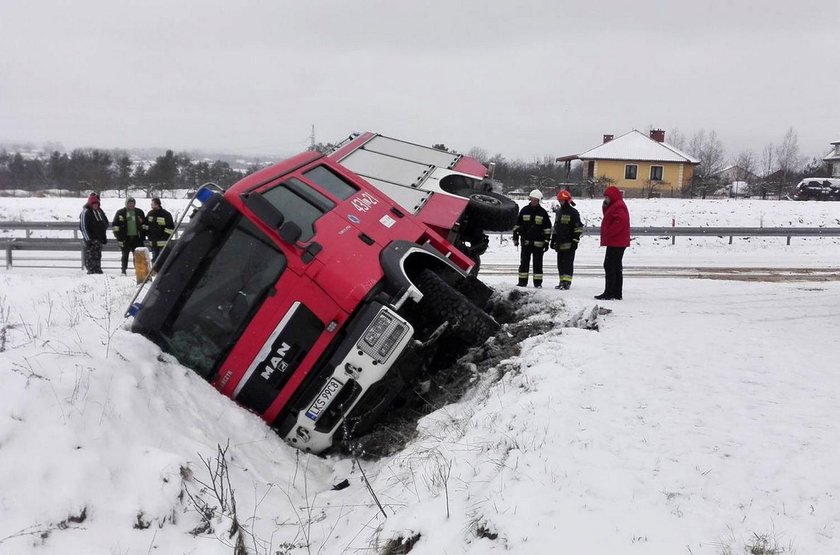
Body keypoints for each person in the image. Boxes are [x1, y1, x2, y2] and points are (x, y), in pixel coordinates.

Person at [596, 186, 630, 300]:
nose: (605, 199)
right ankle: (616, 292)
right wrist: (605, 206)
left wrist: (609, 232)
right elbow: (609, 216)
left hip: (616, 241)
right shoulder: (616, 205)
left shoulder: (618, 206)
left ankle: (610, 292)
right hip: (617, 241)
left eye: (607, 197)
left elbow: (620, 221)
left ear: (612, 197)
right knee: (615, 267)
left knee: (610, 266)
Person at [512, 189, 552, 288]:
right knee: (524, 263)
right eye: (532, 199)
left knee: (537, 265)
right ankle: (522, 282)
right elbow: (517, 225)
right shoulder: (524, 210)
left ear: (539, 201)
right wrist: (515, 237)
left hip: (538, 244)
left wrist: (546, 242)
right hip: (526, 242)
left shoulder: (543, 213)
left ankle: (538, 283)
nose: (533, 201)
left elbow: (547, 228)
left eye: (535, 200)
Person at [550, 189, 583, 289]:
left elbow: (578, 228)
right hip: (560, 243)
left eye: (562, 200)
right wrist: (553, 239)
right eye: (559, 201)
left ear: (567, 200)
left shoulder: (573, 212)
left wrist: (575, 241)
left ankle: (567, 283)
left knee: (568, 264)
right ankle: (561, 282)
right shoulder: (559, 212)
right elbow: (556, 227)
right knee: (560, 264)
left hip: (569, 243)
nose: (560, 202)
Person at [112, 197, 146, 275]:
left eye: (133, 203)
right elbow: (115, 226)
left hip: (137, 238)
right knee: (125, 255)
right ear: (126, 204)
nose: (131, 205)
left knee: (137, 255)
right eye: (129, 203)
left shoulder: (139, 212)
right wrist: (119, 237)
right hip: (125, 238)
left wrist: (142, 236)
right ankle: (123, 270)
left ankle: (138, 270)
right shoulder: (120, 213)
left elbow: (144, 225)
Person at [79, 193, 108, 274]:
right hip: (91, 239)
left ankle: (97, 268)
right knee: (90, 255)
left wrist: (103, 234)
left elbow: (105, 222)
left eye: (97, 203)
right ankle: (91, 270)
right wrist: (88, 239)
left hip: (99, 239)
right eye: (94, 204)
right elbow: (83, 227)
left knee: (98, 255)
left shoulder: (99, 211)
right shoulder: (86, 212)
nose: (95, 205)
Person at [144, 197, 175, 263]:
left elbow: (170, 227)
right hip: (153, 241)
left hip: (163, 242)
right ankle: (154, 271)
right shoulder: (150, 214)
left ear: (157, 204)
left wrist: (165, 237)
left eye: (152, 204)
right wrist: (148, 234)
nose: (151, 206)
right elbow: (145, 225)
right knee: (154, 257)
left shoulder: (166, 214)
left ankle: (161, 271)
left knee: (162, 258)